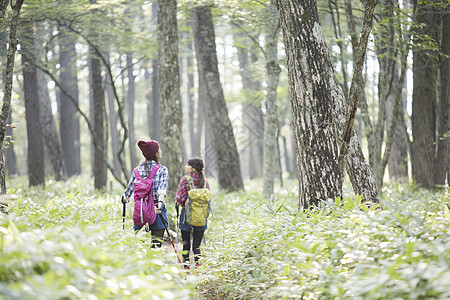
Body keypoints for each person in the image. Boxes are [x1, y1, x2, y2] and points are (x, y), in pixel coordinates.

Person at [122, 140, 169, 247]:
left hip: (140, 211)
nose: (160, 151)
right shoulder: (162, 170)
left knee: (139, 246)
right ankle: (153, 262)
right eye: (159, 149)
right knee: (156, 246)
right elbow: (161, 190)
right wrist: (160, 204)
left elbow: (127, 193)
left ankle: (141, 262)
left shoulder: (136, 171)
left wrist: (124, 198)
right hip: (156, 209)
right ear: (155, 153)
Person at [175, 157, 210, 269]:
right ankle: (198, 267)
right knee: (197, 245)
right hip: (201, 216)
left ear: (193, 168)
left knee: (186, 244)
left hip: (187, 215)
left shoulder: (185, 180)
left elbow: (180, 199)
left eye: (188, 165)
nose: (186, 166)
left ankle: (186, 267)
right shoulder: (205, 181)